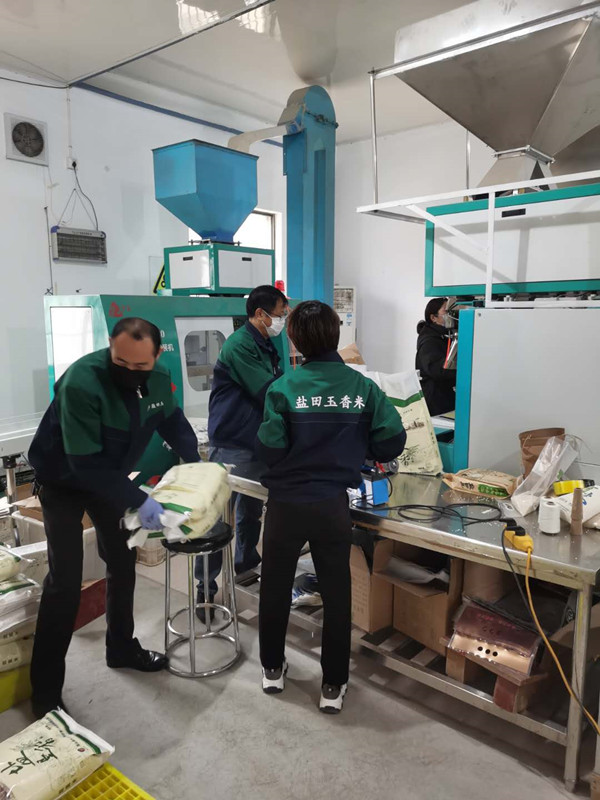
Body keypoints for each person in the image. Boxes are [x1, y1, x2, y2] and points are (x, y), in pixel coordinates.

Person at [28, 317, 200, 719]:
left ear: (156, 356)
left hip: (108, 479)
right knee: (65, 583)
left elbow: (171, 420)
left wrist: (195, 462)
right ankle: (46, 693)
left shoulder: (159, 378)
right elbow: (85, 466)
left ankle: (121, 648)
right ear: (110, 347)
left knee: (122, 561)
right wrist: (141, 501)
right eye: (121, 362)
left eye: (141, 366)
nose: (130, 372)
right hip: (64, 480)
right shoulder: (82, 382)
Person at [256, 300, 406, 714]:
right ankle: (333, 687)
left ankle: (272, 670)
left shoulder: (283, 388)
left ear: (294, 340)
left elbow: (270, 450)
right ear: (337, 335)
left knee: (275, 587)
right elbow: (392, 442)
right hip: (331, 506)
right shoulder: (362, 388)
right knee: (337, 594)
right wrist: (359, 446)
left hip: (286, 505)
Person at [197, 284, 289, 618]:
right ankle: (205, 590)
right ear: (260, 313)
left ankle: (246, 570)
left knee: (250, 512)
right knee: (216, 518)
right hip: (233, 443)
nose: (282, 320)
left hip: (256, 441)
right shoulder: (240, 345)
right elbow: (268, 390)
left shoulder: (266, 342)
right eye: (279, 314)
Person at [415, 297, 456, 416]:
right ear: (433, 317)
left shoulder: (444, 335)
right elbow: (437, 369)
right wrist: (464, 372)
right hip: (436, 400)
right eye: (446, 311)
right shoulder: (429, 340)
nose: (451, 315)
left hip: (444, 397)